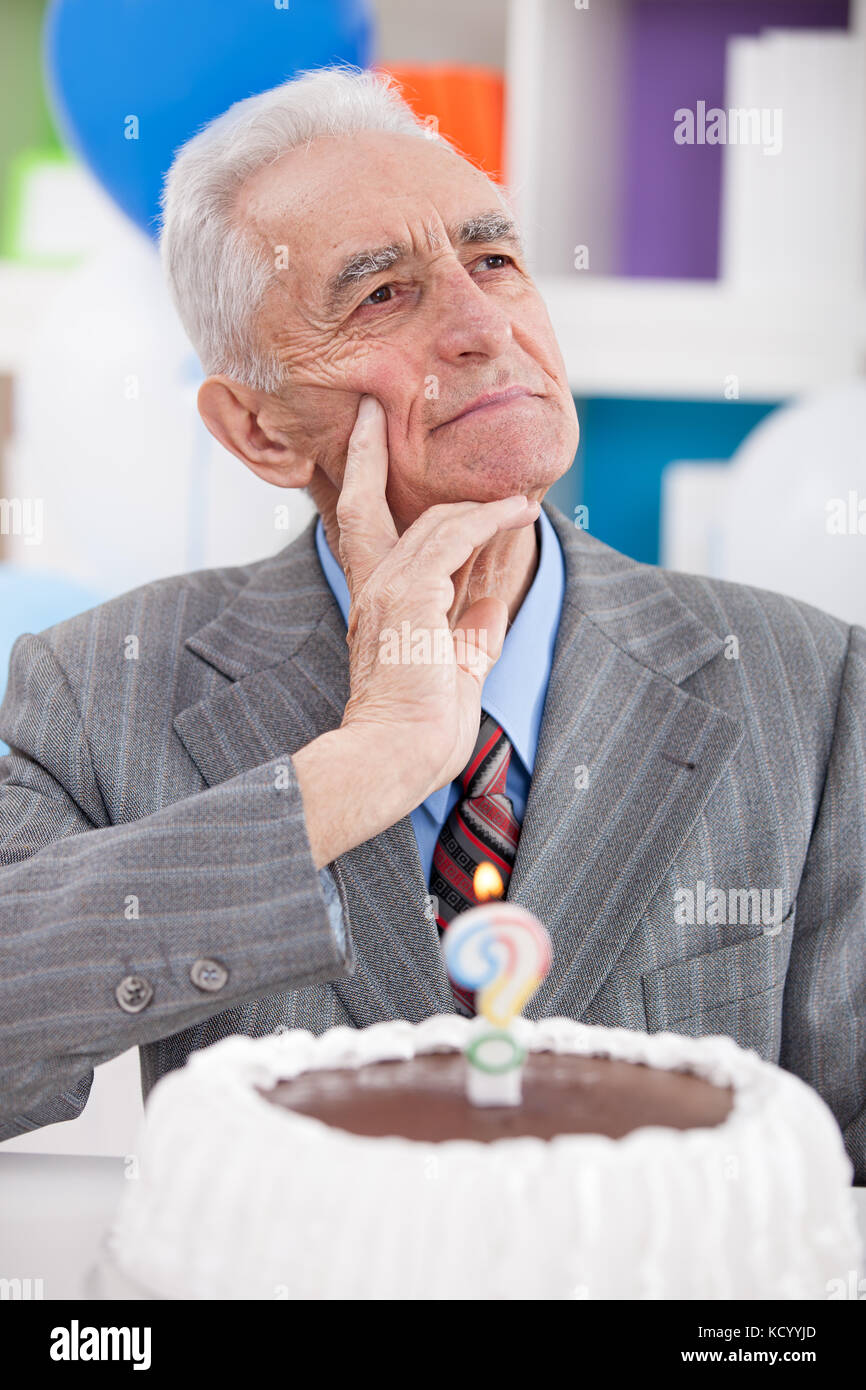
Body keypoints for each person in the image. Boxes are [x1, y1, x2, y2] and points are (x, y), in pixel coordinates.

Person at [0, 67, 863, 1184]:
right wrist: (360, 768)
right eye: (380, 294)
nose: (478, 324)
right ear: (259, 429)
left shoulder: (813, 682)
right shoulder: (95, 684)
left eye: (493, 259)